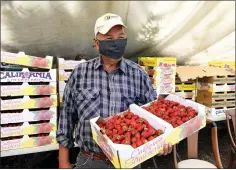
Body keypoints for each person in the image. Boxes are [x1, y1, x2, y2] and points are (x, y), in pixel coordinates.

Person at [56, 13, 172, 169]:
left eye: (120, 37)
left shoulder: (139, 74)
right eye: (109, 39)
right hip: (90, 161)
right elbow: (67, 117)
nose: (116, 43)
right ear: (97, 44)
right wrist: (63, 162)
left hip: (129, 162)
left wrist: (161, 142)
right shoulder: (80, 73)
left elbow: (154, 117)